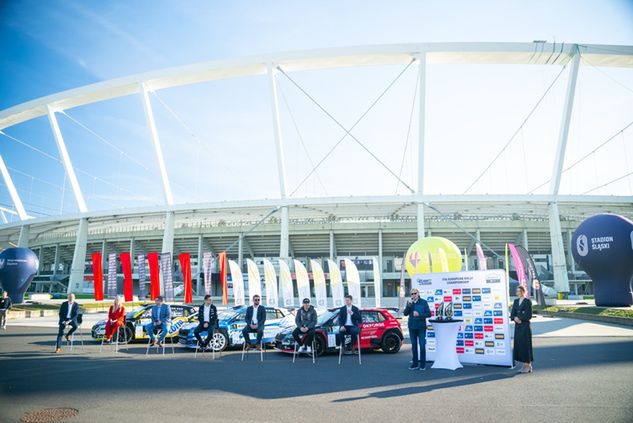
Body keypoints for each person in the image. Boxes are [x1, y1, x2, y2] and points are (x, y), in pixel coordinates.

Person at [403, 288, 431, 370]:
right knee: (414, 346)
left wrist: (419, 314)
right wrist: (408, 306)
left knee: (422, 346)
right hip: (412, 327)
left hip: (421, 327)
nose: (413, 295)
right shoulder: (409, 303)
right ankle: (415, 364)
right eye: (412, 294)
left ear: (418, 294)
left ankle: (422, 364)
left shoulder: (423, 302)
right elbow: (405, 314)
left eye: (415, 293)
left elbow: (429, 314)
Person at [511, 285, 533, 373]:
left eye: (519, 291)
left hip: (525, 327)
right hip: (517, 327)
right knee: (519, 346)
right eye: (517, 291)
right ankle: (524, 365)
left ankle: (528, 365)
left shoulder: (527, 301)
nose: (517, 293)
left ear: (523, 292)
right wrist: (515, 318)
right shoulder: (516, 301)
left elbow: (529, 315)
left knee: (526, 346)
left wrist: (521, 319)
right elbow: (512, 314)